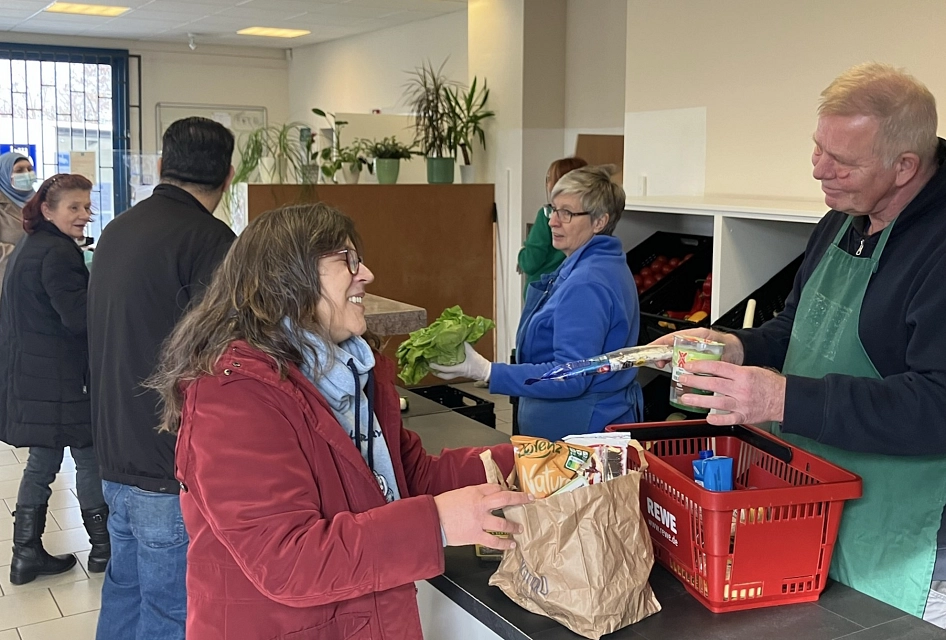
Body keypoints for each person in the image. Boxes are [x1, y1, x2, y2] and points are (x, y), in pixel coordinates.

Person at [146, 203, 529, 639]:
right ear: (287, 279)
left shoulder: (353, 375)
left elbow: (412, 477)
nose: (366, 274)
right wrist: (438, 522)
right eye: (346, 260)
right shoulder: (234, 396)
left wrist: (529, 457)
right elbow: (288, 560)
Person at [653, 63, 946, 625]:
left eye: (843, 161)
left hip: (909, 540)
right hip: (815, 505)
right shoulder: (843, 219)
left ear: (905, 166)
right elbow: (798, 330)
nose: (819, 171)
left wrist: (782, 400)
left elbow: (938, 402)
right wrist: (734, 347)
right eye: (817, 148)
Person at [88, 117, 237, 640]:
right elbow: (226, 357)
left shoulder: (115, 231)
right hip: (167, 460)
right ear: (229, 175)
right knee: (172, 612)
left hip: (113, 451)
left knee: (124, 593)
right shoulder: (213, 242)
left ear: (160, 167)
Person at [432, 165, 642, 441]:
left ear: (599, 222)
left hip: (579, 434)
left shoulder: (587, 282)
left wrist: (487, 371)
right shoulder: (598, 264)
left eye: (566, 213)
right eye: (552, 209)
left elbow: (572, 376)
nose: (553, 221)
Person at [0, 174, 110, 585]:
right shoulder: (59, 253)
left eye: (86, 206)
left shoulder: (33, 244)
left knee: (41, 464)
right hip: (63, 380)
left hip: (34, 377)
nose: (84, 215)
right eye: (74, 208)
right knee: (89, 457)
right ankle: (103, 548)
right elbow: (78, 318)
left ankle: (25, 555)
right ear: (47, 209)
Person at [517, 156, 588, 292]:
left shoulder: (546, 215)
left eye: (549, 178)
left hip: (543, 293)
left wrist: (522, 255)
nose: (553, 221)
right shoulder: (588, 217)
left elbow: (530, 262)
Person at [0, 151, 35, 289]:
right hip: (6, 282)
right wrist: (24, 255)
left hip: (36, 281)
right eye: (19, 170)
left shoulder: (41, 202)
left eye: (29, 169)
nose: (26, 174)